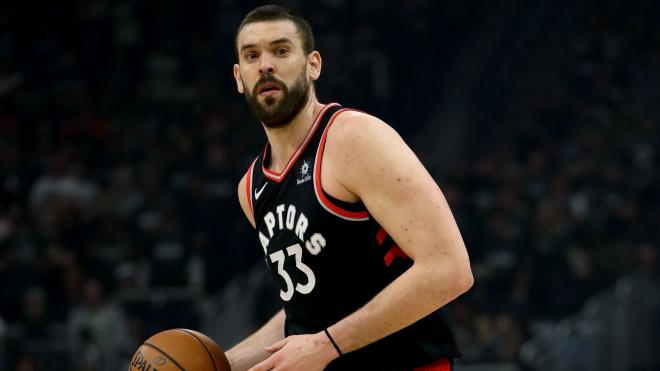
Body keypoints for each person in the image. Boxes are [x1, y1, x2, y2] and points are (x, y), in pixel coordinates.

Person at [226, 5, 473, 371]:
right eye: (251, 55)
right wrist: (217, 363)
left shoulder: (354, 138)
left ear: (313, 65)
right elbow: (307, 310)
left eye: (280, 51)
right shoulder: (251, 188)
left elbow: (450, 270)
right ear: (239, 77)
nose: (265, 65)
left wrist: (325, 346)